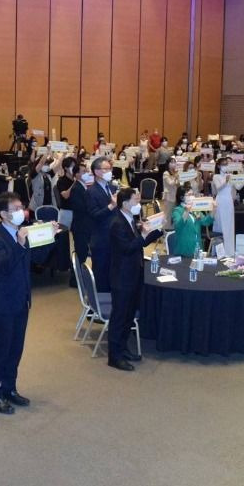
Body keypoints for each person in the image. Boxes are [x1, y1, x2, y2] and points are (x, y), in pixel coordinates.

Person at [0, 192, 33, 414]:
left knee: (16, 349)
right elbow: (3, 267)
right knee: (2, 350)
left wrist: (48, 237)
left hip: (22, 299)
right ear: (4, 214)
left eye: (21, 207)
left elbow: (35, 260)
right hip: (3, 303)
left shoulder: (22, 232)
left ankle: (10, 388)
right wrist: (19, 244)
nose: (21, 212)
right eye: (16, 209)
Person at [107, 188, 162, 371]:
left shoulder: (130, 219)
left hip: (134, 274)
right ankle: (114, 357)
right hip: (122, 278)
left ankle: (123, 349)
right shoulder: (117, 223)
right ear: (125, 204)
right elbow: (128, 248)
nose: (139, 204)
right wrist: (144, 235)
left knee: (129, 316)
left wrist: (157, 230)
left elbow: (140, 243)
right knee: (119, 317)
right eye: (135, 201)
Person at [86, 158, 118, 293]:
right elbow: (95, 215)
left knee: (113, 271)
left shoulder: (112, 187)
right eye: (106, 169)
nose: (109, 171)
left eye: (110, 168)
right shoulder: (91, 191)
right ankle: (99, 301)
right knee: (101, 273)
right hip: (101, 238)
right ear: (97, 172)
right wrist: (111, 206)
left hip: (114, 236)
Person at [170, 189, 214, 257]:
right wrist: (187, 211)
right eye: (189, 194)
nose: (192, 196)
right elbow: (178, 226)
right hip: (184, 252)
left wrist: (214, 209)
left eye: (193, 194)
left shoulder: (195, 209)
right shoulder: (177, 211)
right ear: (182, 197)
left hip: (198, 250)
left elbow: (206, 222)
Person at [211, 159, 236, 255]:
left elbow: (236, 187)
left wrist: (243, 179)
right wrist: (226, 180)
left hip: (229, 201)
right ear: (218, 166)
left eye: (227, 164)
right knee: (220, 224)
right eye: (223, 164)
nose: (226, 166)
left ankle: (229, 250)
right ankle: (219, 251)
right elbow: (218, 188)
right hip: (220, 201)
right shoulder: (216, 176)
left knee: (229, 225)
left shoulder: (230, 175)